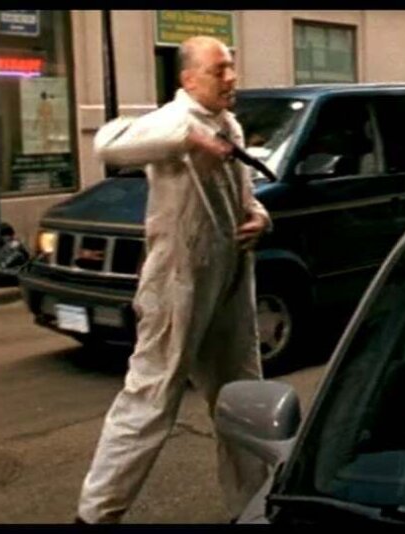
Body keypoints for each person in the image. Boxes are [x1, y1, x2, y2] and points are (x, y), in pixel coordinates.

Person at [76, 35, 271, 524]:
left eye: (231, 67)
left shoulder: (229, 124)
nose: (231, 78)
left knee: (241, 399)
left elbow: (243, 193)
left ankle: (251, 509)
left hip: (229, 283)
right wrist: (189, 139)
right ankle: (96, 515)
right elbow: (108, 143)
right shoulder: (174, 119)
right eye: (218, 70)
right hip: (177, 285)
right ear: (188, 79)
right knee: (150, 399)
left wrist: (259, 217)